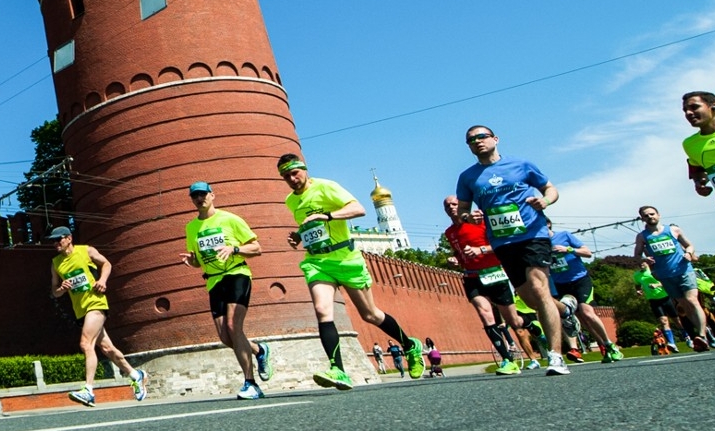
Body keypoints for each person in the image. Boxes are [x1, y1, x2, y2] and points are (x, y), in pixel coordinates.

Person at [277, 154, 424, 389]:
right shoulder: (291, 201)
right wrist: (298, 236)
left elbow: (358, 209)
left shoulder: (326, 187)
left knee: (370, 315)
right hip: (317, 261)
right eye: (286, 176)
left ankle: (409, 345)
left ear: (304, 169)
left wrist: (327, 215)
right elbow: (311, 226)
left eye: (294, 173)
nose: (292, 179)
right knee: (322, 310)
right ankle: (338, 370)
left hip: (346, 258)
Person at [454, 126, 569, 375]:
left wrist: (545, 201)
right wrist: (468, 217)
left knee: (539, 288)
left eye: (482, 137)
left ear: (495, 139)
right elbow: (462, 210)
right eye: (471, 140)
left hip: (532, 234)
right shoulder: (468, 177)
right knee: (531, 299)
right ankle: (566, 310)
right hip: (503, 243)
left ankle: (556, 356)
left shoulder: (521, 164)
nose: (477, 142)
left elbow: (551, 189)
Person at [179, 181, 274, 400]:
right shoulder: (191, 227)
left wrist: (234, 248)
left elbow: (257, 248)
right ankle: (259, 351)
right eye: (195, 196)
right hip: (213, 281)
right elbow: (198, 262)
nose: (199, 199)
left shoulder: (229, 219)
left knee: (233, 326)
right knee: (225, 337)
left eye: (203, 194)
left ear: (212, 195)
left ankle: (251, 384)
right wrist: (192, 261)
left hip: (236, 273)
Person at [48, 227, 147, 405]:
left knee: (86, 343)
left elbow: (107, 264)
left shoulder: (86, 250)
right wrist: (61, 289)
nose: (55, 243)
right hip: (81, 310)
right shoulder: (56, 263)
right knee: (108, 349)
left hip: (96, 303)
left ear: (69, 238)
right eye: (53, 241)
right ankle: (135, 374)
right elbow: (54, 292)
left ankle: (88, 390)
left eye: (59, 239)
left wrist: (102, 281)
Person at [443, 197, 524, 375]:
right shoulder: (450, 232)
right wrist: (455, 259)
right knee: (485, 314)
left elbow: (502, 246)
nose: (451, 207)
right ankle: (507, 360)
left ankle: (532, 325)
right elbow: (459, 252)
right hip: (472, 276)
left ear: (463, 206)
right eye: (447, 206)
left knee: (514, 321)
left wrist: (481, 250)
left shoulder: (481, 223)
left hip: (494, 273)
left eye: (454, 204)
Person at [633, 206, 710, 351]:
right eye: (646, 215)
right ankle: (702, 336)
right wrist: (644, 258)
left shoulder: (673, 230)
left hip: (683, 270)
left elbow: (689, 245)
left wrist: (688, 253)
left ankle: (701, 335)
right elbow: (636, 256)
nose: (650, 217)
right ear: (642, 219)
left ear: (658, 215)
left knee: (692, 300)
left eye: (652, 214)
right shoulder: (642, 236)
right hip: (665, 275)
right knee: (685, 306)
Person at [548, 226, 623, 363]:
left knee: (587, 312)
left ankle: (610, 344)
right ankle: (578, 349)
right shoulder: (537, 244)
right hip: (561, 285)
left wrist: (568, 249)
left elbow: (588, 253)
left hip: (580, 280)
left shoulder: (564, 235)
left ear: (547, 225)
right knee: (572, 317)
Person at [681, 91, 715, 196]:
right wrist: (700, 183)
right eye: (685, 110)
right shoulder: (690, 144)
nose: (688, 113)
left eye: (694, 107)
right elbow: (697, 169)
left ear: (713, 106)